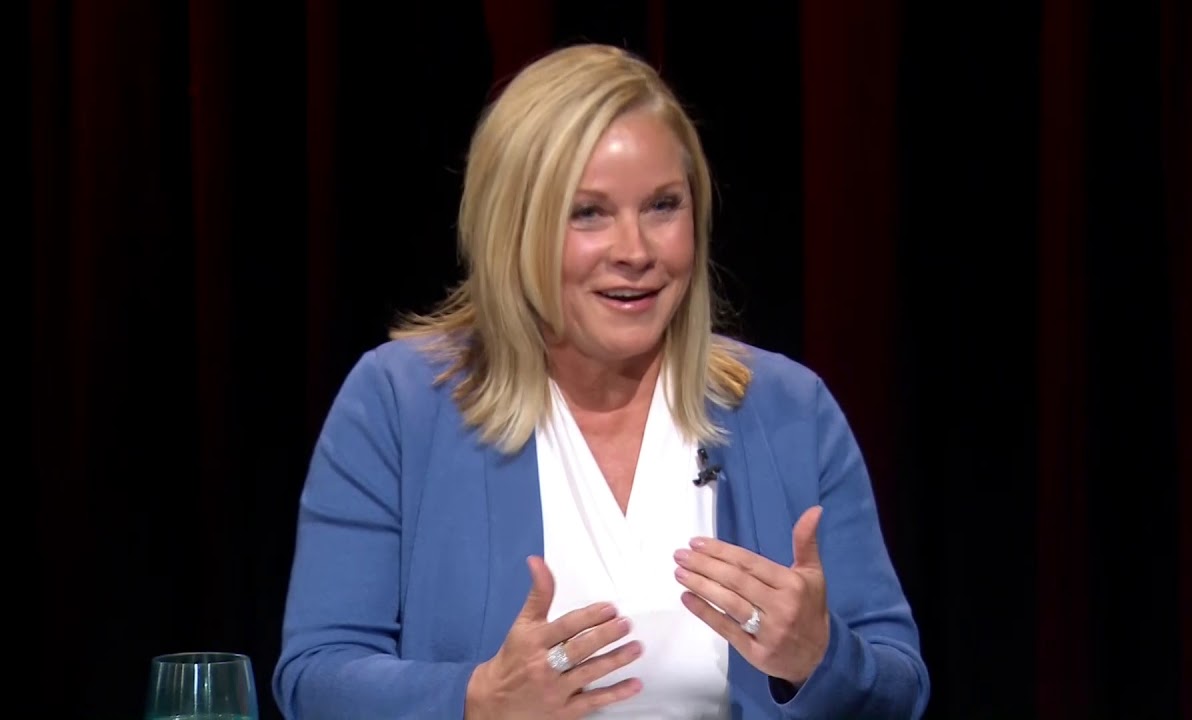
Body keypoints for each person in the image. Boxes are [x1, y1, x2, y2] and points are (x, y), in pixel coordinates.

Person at [272, 43, 929, 719]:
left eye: (662, 207)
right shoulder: (398, 405)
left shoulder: (789, 410)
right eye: (588, 213)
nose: (636, 252)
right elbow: (316, 679)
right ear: (513, 227)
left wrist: (818, 659)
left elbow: (900, 685)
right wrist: (478, 700)